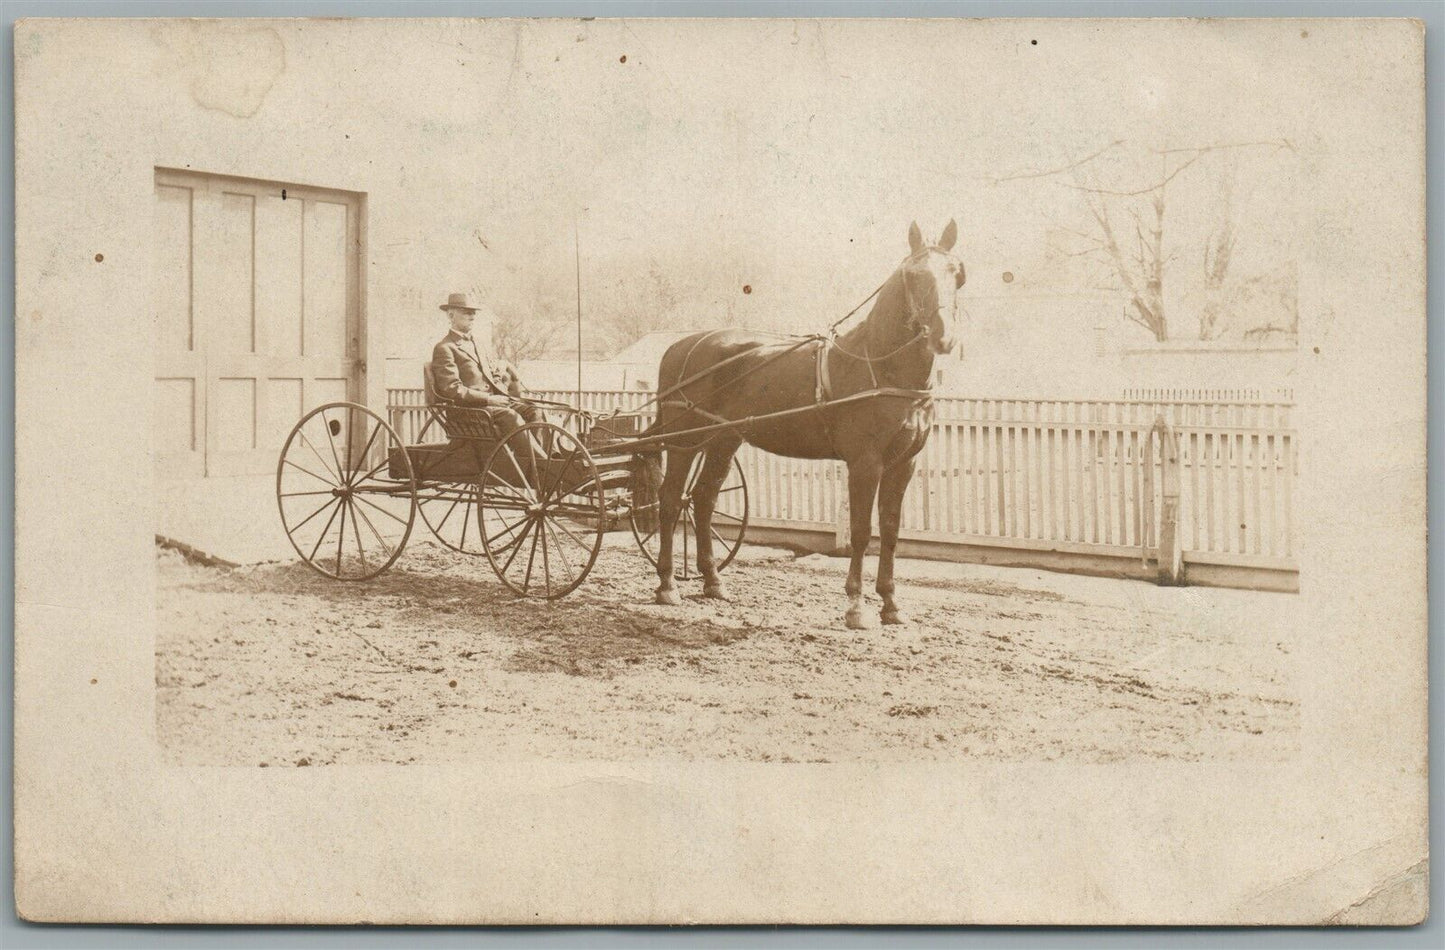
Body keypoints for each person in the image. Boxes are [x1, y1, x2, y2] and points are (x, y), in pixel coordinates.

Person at [430, 292, 545, 437]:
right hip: (467, 411)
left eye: (473, 313)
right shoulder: (445, 348)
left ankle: (551, 458)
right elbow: (452, 389)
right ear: (451, 316)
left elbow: (490, 373)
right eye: (466, 312)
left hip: (491, 405)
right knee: (510, 415)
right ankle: (533, 460)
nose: (472, 316)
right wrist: (488, 399)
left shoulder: (478, 344)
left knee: (534, 410)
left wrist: (503, 379)